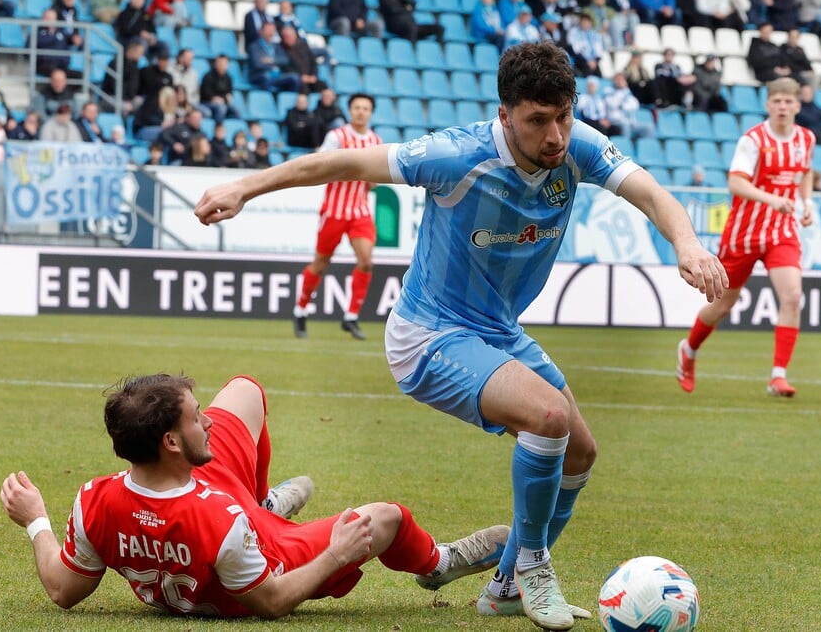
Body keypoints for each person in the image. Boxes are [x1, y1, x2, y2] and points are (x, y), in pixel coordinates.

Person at [193, 42, 726, 631]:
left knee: (580, 449)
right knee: (548, 418)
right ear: (505, 116)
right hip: (429, 335)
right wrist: (244, 188)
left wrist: (688, 243)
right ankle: (533, 566)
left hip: (499, 331)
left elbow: (651, 193)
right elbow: (338, 165)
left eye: (564, 116)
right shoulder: (454, 155)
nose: (555, 135)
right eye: (538, 121)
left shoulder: (578, 148)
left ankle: (502, 587)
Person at [1, 373, 508, 618]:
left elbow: (62, 590)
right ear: (172, 441)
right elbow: (271, 603)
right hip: (252, 553)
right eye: (196, 417)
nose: (207, 421)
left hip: (207, 503)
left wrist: (36, 519)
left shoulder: (95, 500)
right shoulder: (219, 522)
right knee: (384, 519)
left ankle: (262, 500)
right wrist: (336, 554)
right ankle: (436, 563)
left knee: (244, 389)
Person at [676, 77, 813, 399]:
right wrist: (772, 199)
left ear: (797, 105)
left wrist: (808, 204)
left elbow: (804, 173)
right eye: (776, 100)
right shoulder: (753, 140)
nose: (782, 106)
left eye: (787, 101)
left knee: (792, 297)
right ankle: (689, 349)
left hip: (782, 232)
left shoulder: (806, 139)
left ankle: (778, 376)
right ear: (767, 105)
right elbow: (736, 183)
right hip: (745, 233)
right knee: (723, 304)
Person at [292, 93, 381, 340]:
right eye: (357, 107)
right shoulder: (337, 137)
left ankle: (351, 317)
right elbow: (319, 165)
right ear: (350, 111)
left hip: (360, 211)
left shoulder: (375, 140)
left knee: (366, 261)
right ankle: (300, 309)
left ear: (371, 112)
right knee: (320, 263)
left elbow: (374, 182)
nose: (361, 112)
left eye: (365, 108)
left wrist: (371, 178)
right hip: (335, 209)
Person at [379, 0, 444, 43]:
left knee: (439, 28)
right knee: (411, 29)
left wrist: (404, 0)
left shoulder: (402, 1)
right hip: (395, 27)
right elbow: (392, 10)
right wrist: (406, 8)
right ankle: (413, 50)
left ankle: (439, 49)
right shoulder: (385, 0)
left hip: (413, 26)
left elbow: (413, 3)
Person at [200, 55, 243, 122]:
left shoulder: (228, 77)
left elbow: (229, 93)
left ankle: (230, 128)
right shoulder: (208, 76)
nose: (222, 65)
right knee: (221, 108)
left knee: (237, 110)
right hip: (207, 102)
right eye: (220, 62)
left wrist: (227, 98)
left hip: (223, 102)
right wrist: (213, 98)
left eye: (224, 63)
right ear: (216, 63)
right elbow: (206, 94)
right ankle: (218, 128)